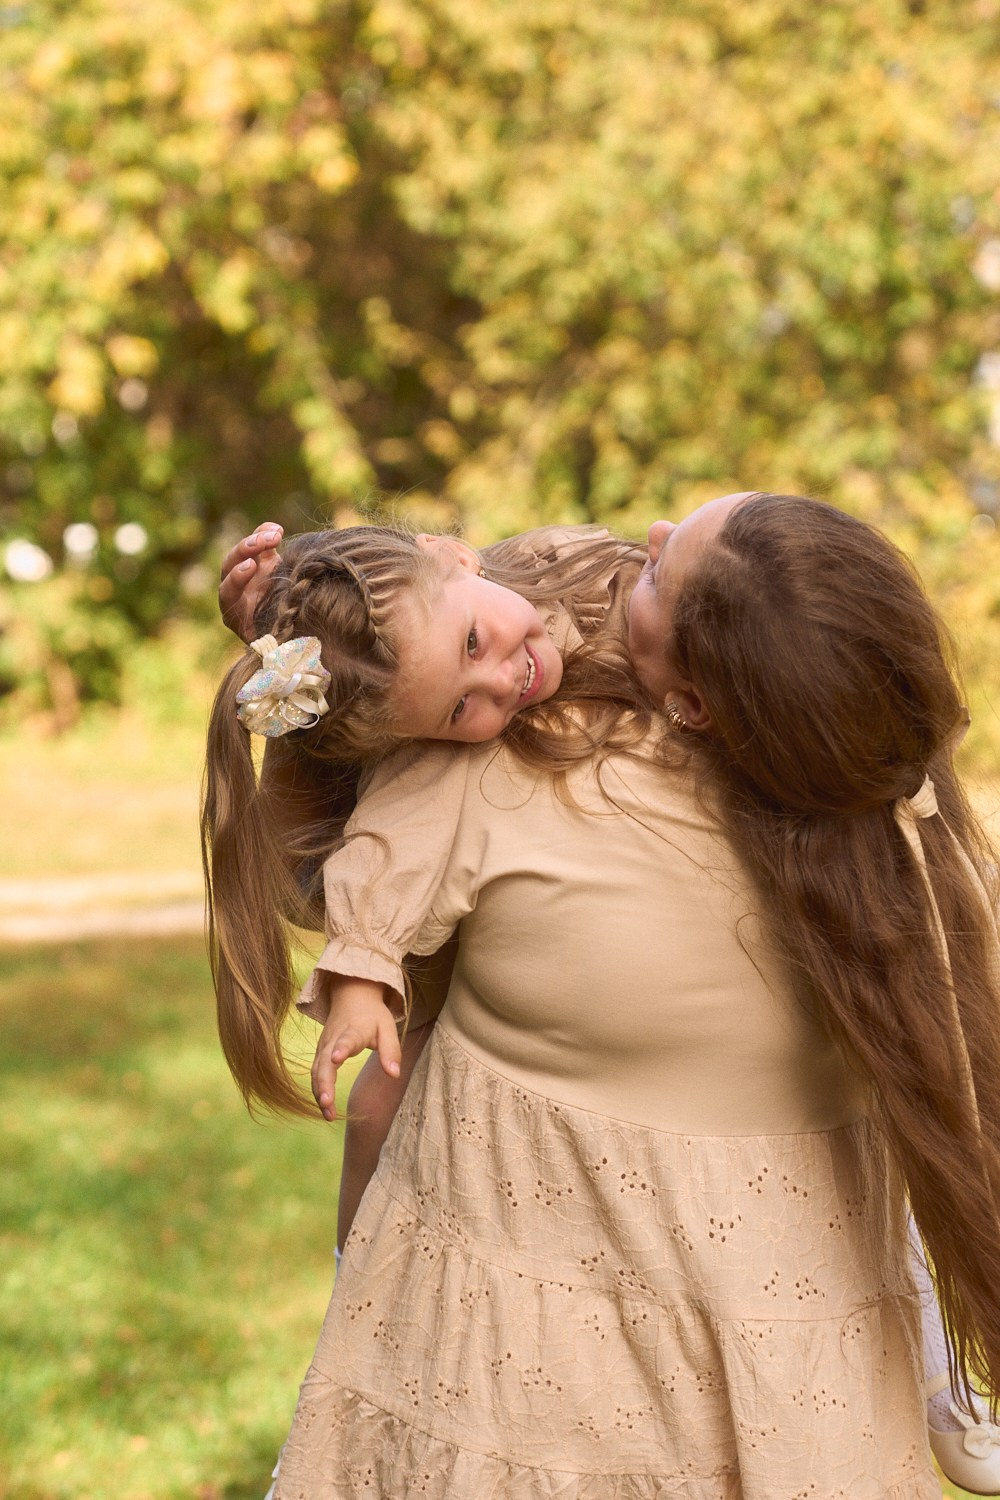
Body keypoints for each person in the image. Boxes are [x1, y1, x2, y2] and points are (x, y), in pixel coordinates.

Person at [205, 497, 1000, 1495]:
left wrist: (303, 687)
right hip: (753, 1341)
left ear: (696, 703)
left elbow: (320, 881)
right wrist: (312, 655)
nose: (648, 544)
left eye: (664, 575)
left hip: (559, 1310)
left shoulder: (518, 746)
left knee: (385, 1099)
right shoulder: (893, 831)